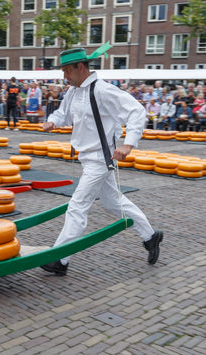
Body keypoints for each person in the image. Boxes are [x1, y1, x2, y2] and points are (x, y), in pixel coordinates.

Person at [40, 44, 163, 276]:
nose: (64, 75)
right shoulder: (73, 92)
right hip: (87, 158)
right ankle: (150, 236)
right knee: (113, 202)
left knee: (77, 206)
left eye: (67, 70)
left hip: (100, 159)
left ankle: (59, 258)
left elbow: (137, 111)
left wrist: (129, 144)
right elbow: (63, 114)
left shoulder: (103, 90)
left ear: (80, 67)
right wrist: (53, 121)